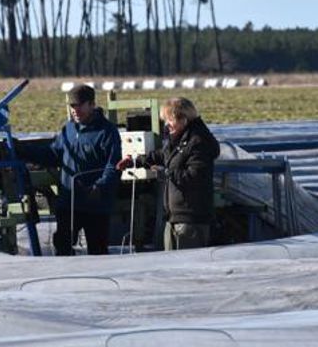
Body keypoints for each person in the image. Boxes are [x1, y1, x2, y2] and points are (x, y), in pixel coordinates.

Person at [20, 84, 121, 255]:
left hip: (95, 205)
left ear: (92, 104)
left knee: (98, 252)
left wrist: (99, 187)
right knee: (63, 246)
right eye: (72, 106)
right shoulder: (68, 129)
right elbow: (53, 154)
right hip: (69, 202)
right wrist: (23, 151)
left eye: (79, 106)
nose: (75, 110)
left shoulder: (107, 132)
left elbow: (113, 165)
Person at [117, 97, 220, 250]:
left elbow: (194, 176)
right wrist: (135, 161)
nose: (167, 124)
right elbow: (162, 155)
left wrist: (165, 173)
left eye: (170, 120)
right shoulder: (177, 140)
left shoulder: (198, 142)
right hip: (174, 218)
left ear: (183, 119)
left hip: (190, 220)